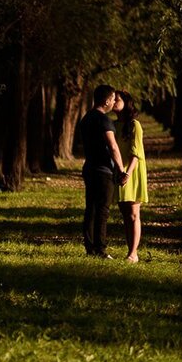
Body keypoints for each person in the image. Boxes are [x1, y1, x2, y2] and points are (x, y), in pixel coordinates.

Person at [78, 85, 129, 257]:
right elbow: (113, 147)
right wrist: (121, 170)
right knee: (102, 211)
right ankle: (100, 249)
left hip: (89, 168)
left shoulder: (86, 118)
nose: (115, 102)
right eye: (113, 99)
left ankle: (90, 247)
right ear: (107, 101)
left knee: (90, 209)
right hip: (103, 171)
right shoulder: (104, 120)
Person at [115, 91, 147, 263]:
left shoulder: (135, 125)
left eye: (117, 99)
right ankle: (130, 249)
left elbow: (136, 152)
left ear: (126, 103)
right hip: (119, 171)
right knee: (125, 213)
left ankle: (133, 253)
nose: (114, 102)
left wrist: (128, 172)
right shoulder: (113, 125)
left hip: (132, 171)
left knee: (134, 213)